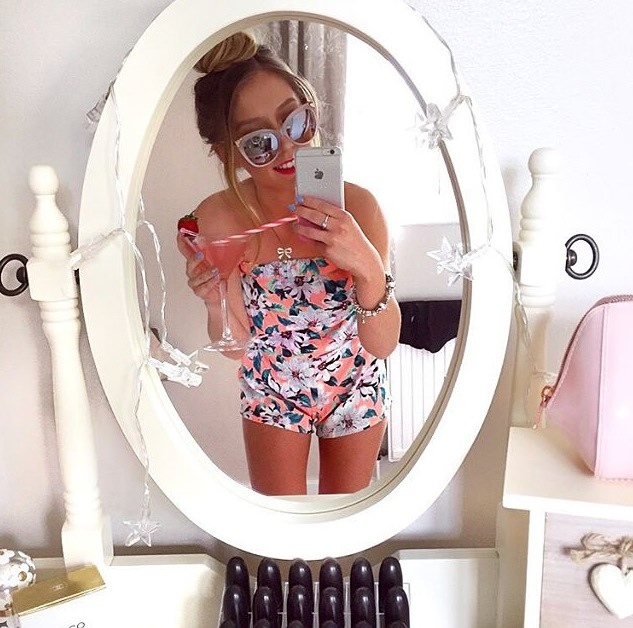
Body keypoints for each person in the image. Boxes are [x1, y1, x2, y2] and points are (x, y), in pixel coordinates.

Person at [177, 32, 401, 496]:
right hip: (270, 389)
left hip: (356, 383)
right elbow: (236, 347)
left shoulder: (361, 207)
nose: (287, 147)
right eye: (259, 142)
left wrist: (366, 266)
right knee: (282, 528)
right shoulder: (219, 218)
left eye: (296, 121)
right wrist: (214, 299)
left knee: (345, 524)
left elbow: (382, 345)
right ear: (226, 152)